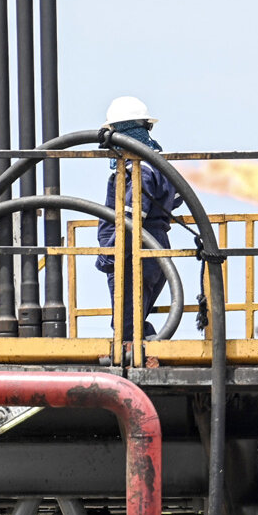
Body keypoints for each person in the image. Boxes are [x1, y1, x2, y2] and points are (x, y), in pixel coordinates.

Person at [96, 96, 183, 341]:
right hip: (154, 250)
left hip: (133, 253)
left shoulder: (139, 170)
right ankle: (150, 346)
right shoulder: (158, 166)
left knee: (126, 327)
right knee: (134, 320)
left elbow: (131, 220)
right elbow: (175, 198)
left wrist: (109, 253)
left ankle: (143, 356)